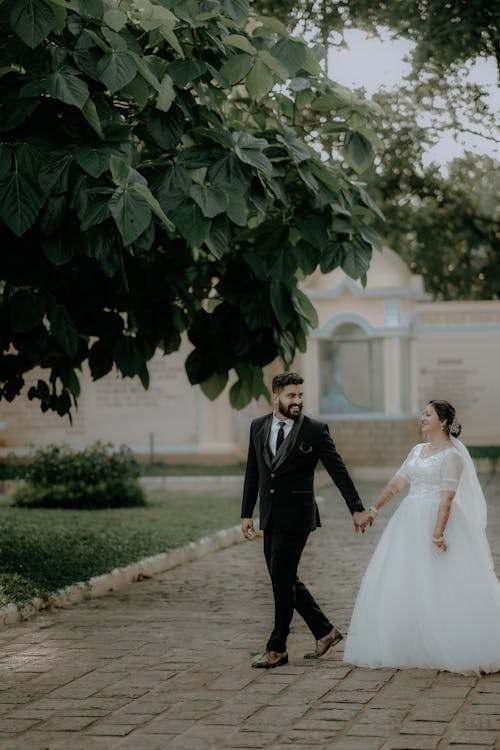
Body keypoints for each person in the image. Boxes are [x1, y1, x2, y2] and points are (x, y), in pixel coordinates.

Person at [344, 399, 500, 675]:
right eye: (422, 414)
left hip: (437, 522)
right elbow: (397, 483)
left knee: (442, 579)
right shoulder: (417, 450)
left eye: (427, 414)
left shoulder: (452, 456)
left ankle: (451, 639)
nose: (422, 418)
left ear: (442, 421)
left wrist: (438, 533)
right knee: (406, 577)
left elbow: (447, 498)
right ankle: (411, 640)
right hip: (408, 521)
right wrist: (374, 509)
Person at [241, 372, 370, 669]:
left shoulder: (314, 430)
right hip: (270, 515)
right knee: (282, 578)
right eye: (291, 396)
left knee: (281, 578)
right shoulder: (258, 426)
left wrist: (356, 508)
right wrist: (247, 513)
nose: (297, 401)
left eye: (300, 395)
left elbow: (338, 470)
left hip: (298, 516)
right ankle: (324, 631)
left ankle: (277, 648)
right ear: (276, 397)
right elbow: (253, 471)